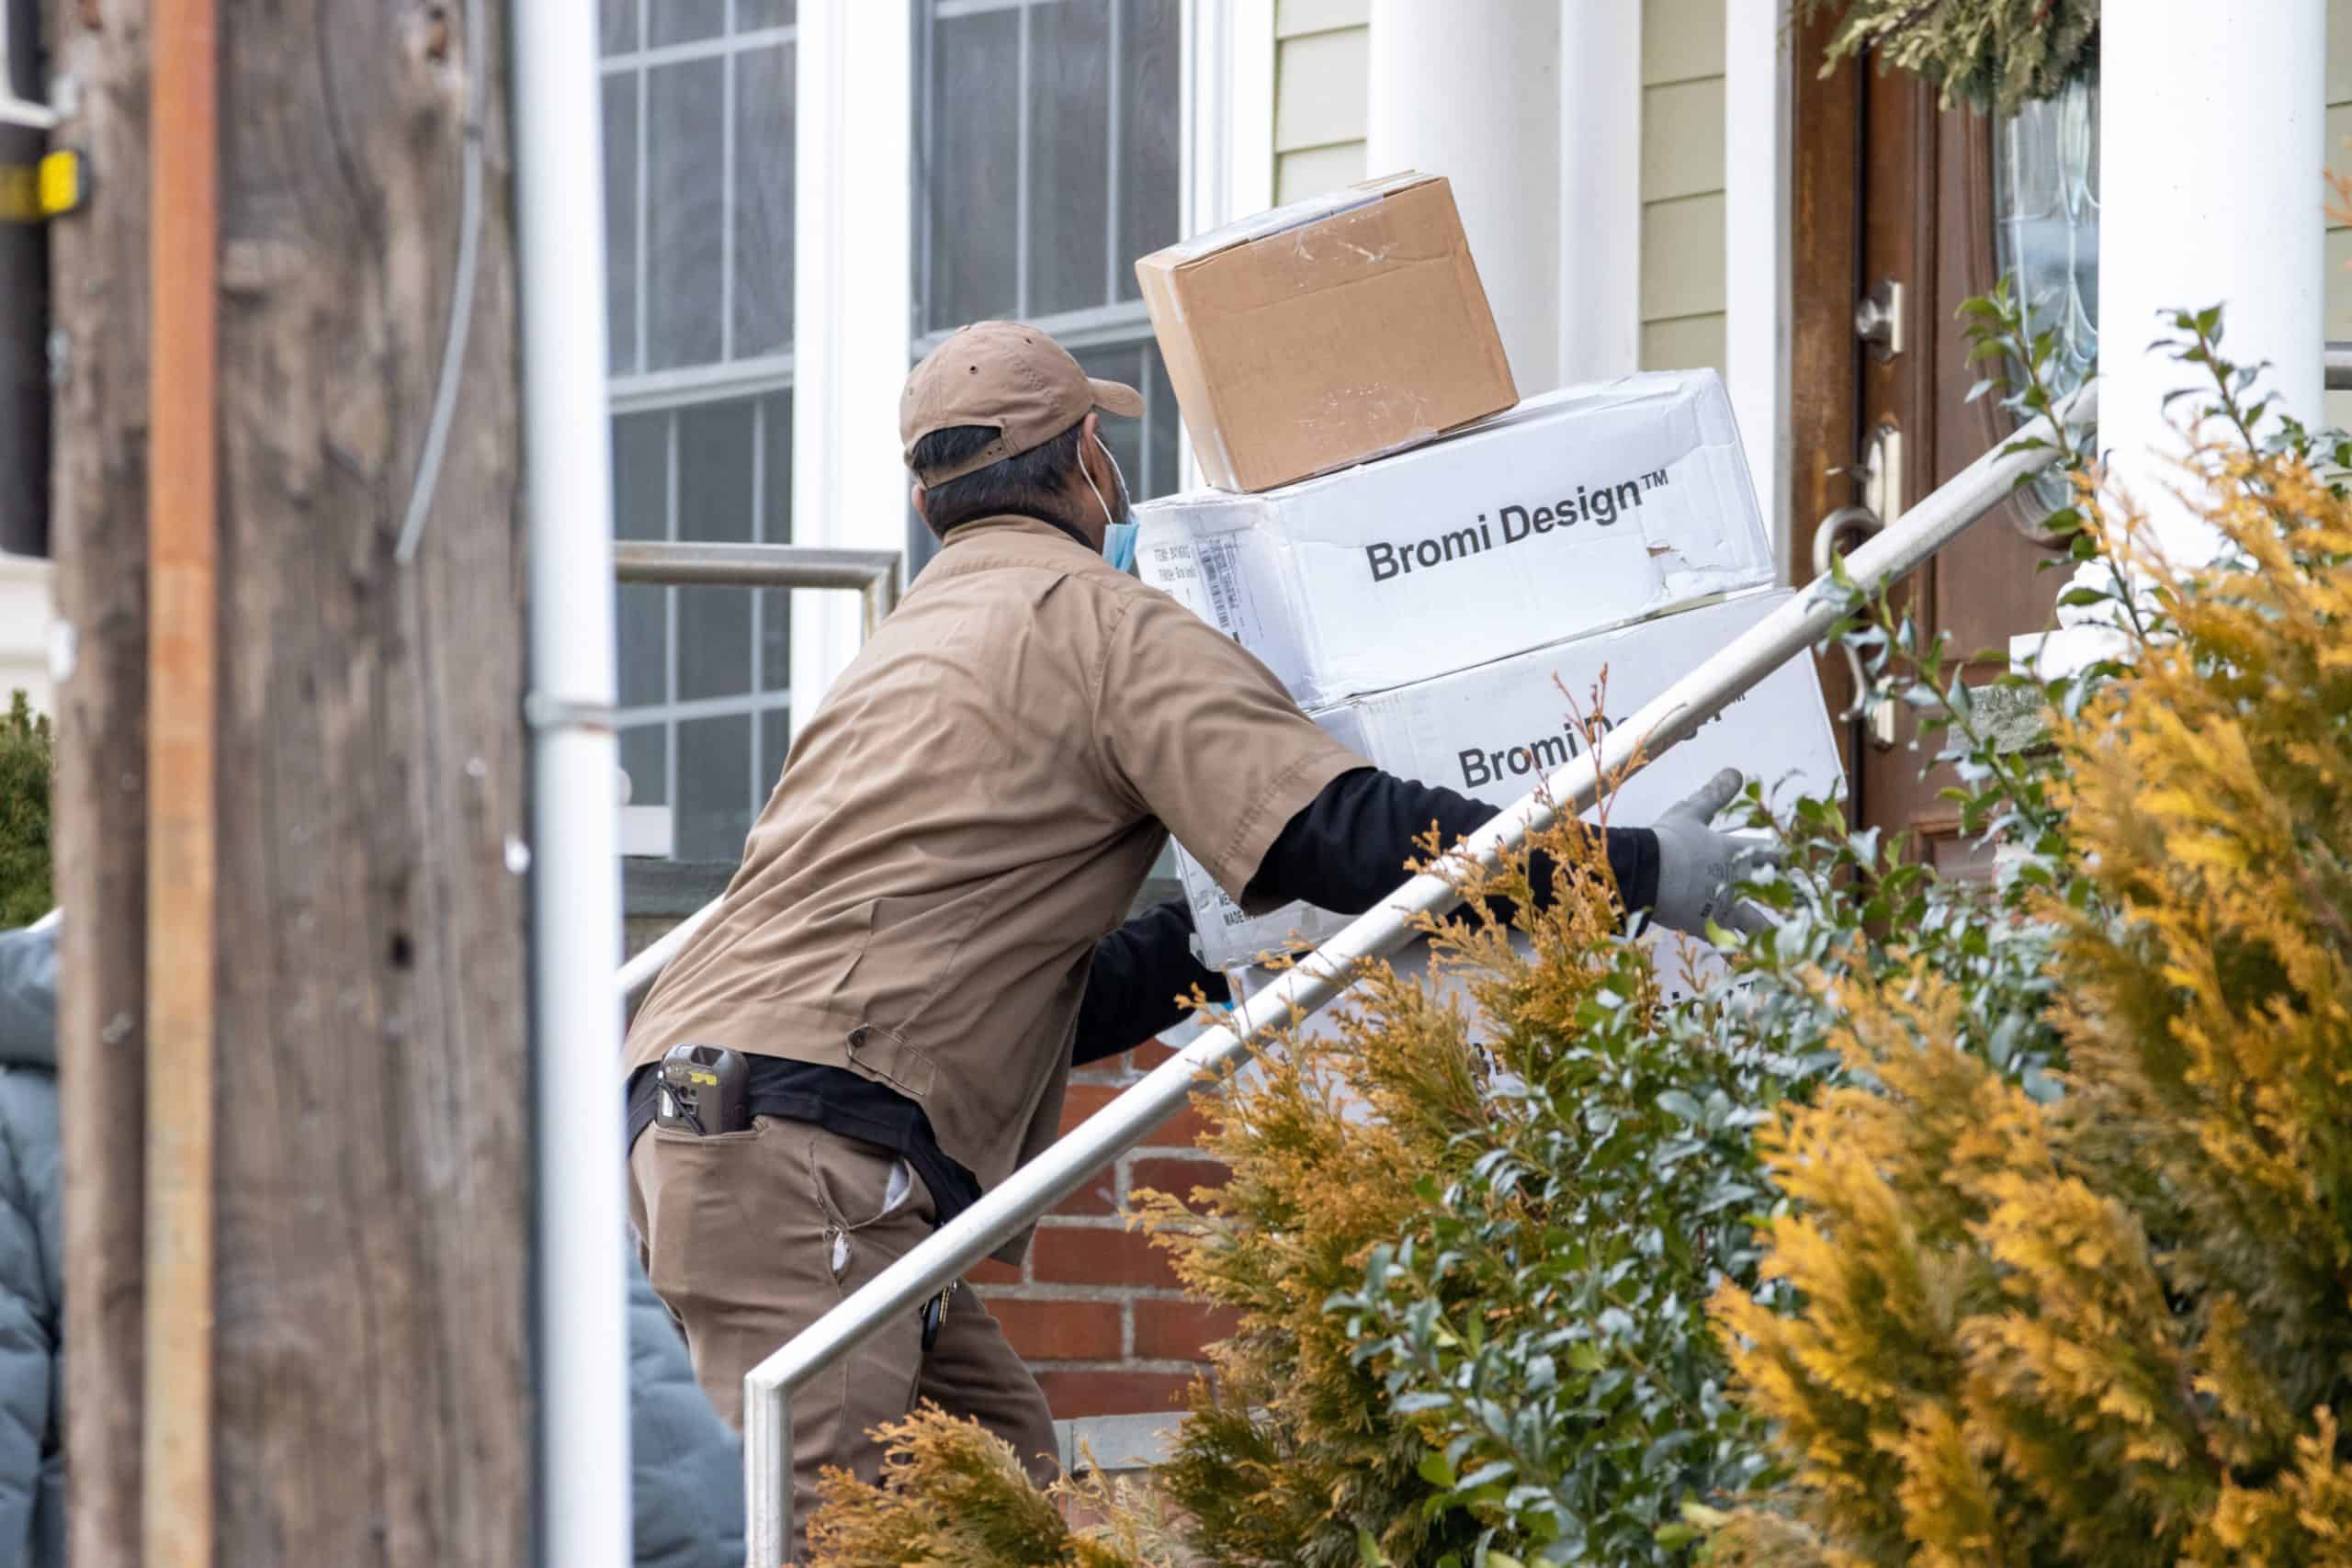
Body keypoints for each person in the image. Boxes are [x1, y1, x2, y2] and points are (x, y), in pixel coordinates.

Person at [620, 321, 1769, 1553]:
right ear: (1090, 462)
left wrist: (1215, 947)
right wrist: (1640, 868)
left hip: (719, 1113)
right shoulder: (1097, 619)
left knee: (996, 1481)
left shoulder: (899, 652)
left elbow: (1041, 981)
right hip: (813, 1156)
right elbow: (1339, 825)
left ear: (924, 496)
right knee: (817, 1537)